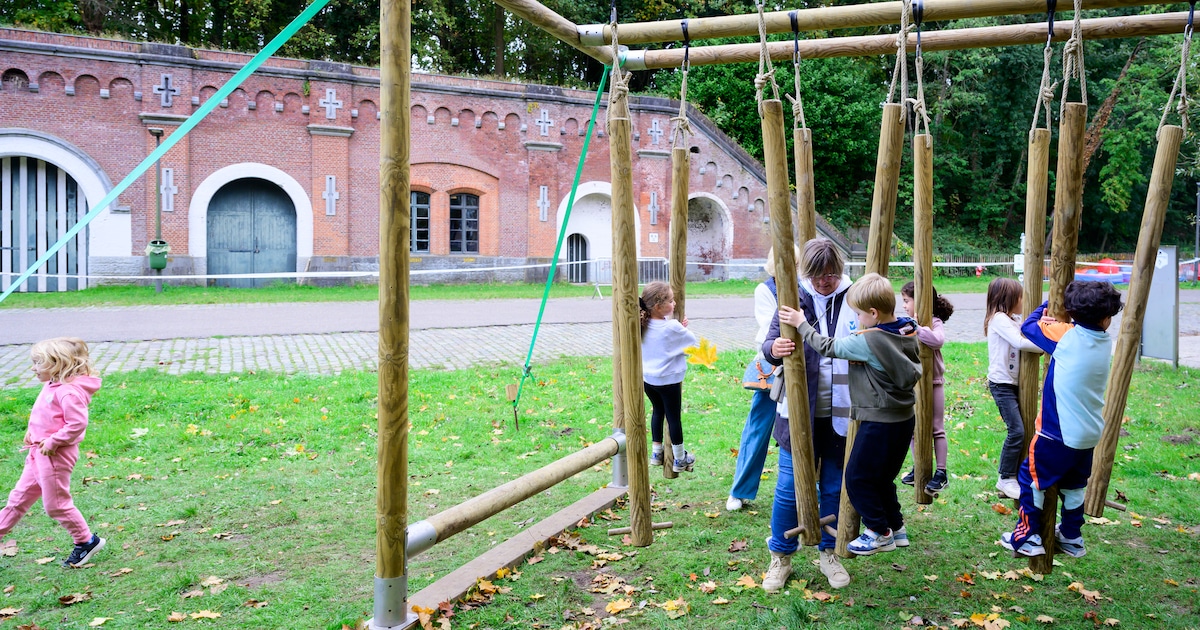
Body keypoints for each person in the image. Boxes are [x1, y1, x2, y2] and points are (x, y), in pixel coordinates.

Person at [786, 272, 921, 557]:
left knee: (857, 478)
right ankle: (896, 527)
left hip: (878, 421)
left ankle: (878, 531)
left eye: (859, 314)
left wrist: (802, 325)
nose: (857, 319)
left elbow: (828, 347)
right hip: (904, 419)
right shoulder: (907, 329)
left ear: (873, 313)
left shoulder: (868, 341)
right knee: (882, 478)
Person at [1000, 281, 1124, 557]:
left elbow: (1029, 327)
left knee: (1030, 478)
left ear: (1071, 312)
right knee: (1074, 485)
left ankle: (1028, 535)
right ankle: (1071, 536)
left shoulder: (1065, 335)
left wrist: (1045, 306)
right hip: (1089, 433)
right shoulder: (1105, 342)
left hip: (1057, 434)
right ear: (1106, 319)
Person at [760, 239, 855, 592]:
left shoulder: (853, 296)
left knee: (833, 485)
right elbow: (768, 346)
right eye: (817, 275)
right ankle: (781, 556)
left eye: (830, 275)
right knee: (788, 488)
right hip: (798, 410)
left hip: (843, 407)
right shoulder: (794, 296)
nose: (824, 282)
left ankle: (829, 553)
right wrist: (775, 348)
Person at [0, 337, 105, 568]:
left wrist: (54, 441)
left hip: (55, 456)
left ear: (58, 364)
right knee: (17, 499)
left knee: (56, 505)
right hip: (37, 452)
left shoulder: (68, 392)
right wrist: (32, 431)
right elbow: (44, 413)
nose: (33, 368)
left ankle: (86, 541)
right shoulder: (51, 385)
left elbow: (76, 424)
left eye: (38, 362)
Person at [726, 246, 799, 512]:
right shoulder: (765, 290)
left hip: (806, 364)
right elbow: (773, 328)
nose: (792, 269)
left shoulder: (807, 287)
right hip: (774, 365)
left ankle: (810, 488)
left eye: (796, 263)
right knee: (758, 428)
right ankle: (740, 490)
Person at [984, 278, 1044, 500]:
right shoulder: (998, 319)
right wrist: (1048, 347)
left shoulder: (1012, 319)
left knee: (1023, 430)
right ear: (1009, 299)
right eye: (1021, 296)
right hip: (1002, 384)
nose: (1023, 300)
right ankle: (1005, 477)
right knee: (1017, 430)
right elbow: (1020, 342)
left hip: (1012, 383)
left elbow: (1026, 333)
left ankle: (1016, 475)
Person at [899, 281, 955, 495]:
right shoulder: (907, 323)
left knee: (936, 427)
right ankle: (919, 466)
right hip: (914, 383)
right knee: (913, 429)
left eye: (906, 301)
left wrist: (917, 328)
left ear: (921, 301)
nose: (904, 306)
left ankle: (941, 473)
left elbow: (937, 340)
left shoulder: (933, 322)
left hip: (934, 384)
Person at [639, 281, 698, 473]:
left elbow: (662, 339)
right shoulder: (672, 326)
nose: (674, 304)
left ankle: (656, 452)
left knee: (657, 412)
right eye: (671, 301)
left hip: (648, 380)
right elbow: (692, 344)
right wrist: (682, 328)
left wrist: (677, 325)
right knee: (674, 418)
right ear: (658, 306)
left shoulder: (642, 324)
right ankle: (680, 458)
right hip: (669, 381)